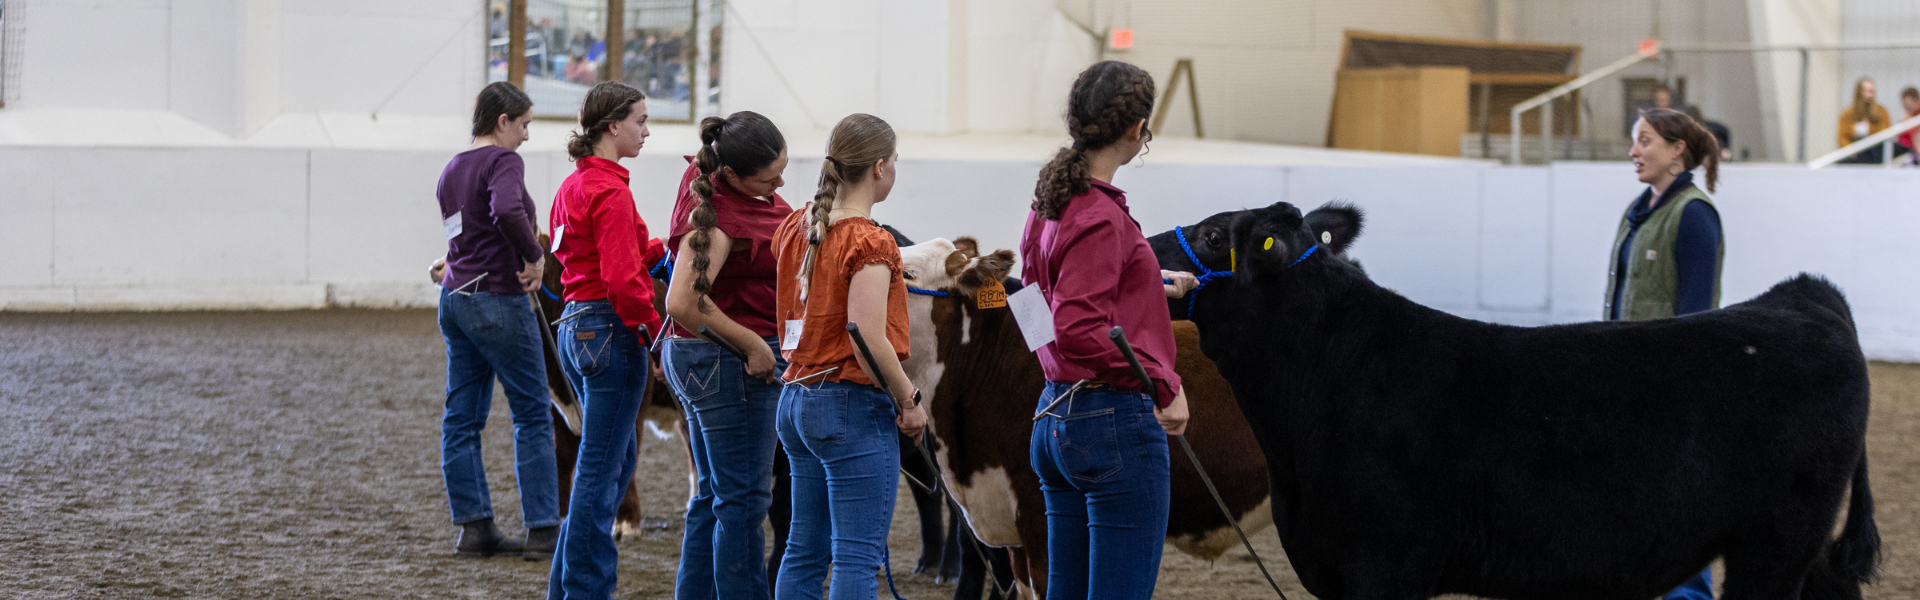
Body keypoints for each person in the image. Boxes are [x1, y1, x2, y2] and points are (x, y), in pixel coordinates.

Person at [1018, 60, 1197, 600]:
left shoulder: (1049, 200)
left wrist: (1141, 286)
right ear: (1136, 129)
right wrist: (1165, 385)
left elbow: (1031, 300)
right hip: (1111, 424)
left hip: (1054, 419)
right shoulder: (1099, 215)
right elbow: (1077, 329)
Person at [770, 113, 928, 600]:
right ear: (879, 167)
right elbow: (865, 335)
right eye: (895, 161)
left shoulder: (799, 227)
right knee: (857, 557)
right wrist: (908, 399)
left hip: (797, 397)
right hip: (847, 405)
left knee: (803, 548)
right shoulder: (870, 241)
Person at [662, 111, 792, 600]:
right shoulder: (722, 217)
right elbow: (682, 301)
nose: (781, 183)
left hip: (704, 362)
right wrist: (753, 344)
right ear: (734, 176)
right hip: (730, 365)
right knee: (744, 502)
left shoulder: (706, 183)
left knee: (716, 495)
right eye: (769, 177)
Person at [431, 81, 559, 561]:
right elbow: (505, 210)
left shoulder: (452, 168)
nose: (526, 135)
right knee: (531, 413)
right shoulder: (503, 162)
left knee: (461, 418)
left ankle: (474, 527)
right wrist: (533, 256)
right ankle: (544, 530)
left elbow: (460, 233)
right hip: (498, 299)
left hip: (456, 300)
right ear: (503, 120)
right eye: (524, 124)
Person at [545, 81, 660, 600]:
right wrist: (655, 333)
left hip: (576, 325)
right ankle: (587, 591)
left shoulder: (575, 186)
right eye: (639, 119)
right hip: (610, 328)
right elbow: (621, 278)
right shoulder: (611, 191)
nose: (646, 129)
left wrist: (670, 248)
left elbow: (630, 249)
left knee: (599, 467)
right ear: (612, 126)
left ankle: (566, 587)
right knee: (602, 472)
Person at [1611, 108, 1726, 600]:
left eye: (1645, 141)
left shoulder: (1695, 214)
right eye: (1636, 140)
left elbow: (1697, 317)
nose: (1634, 151)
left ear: (1678, 150)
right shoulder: (1640, 209)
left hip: (1668, 389)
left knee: (1677, 505)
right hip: (1628, 381)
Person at [1837, 77, 1893, 163]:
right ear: (1858, 92)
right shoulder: (1847, 113)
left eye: (1872, 91)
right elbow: (1842, 136)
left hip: (1874, 151)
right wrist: (1850, 149)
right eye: (1866, 91)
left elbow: (1885, 133)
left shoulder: (1881, 112)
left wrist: (1869, 129)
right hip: (1854, 153)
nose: (1870, 95)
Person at [1898, 86, 1918, 164]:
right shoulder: (1908, 115)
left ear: (1916, 101)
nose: (1906, 108)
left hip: (1913, 153)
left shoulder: (1916, 118)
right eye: (1904, 106)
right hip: (1905, 152)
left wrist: (1908, 124)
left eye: (1907, 105)